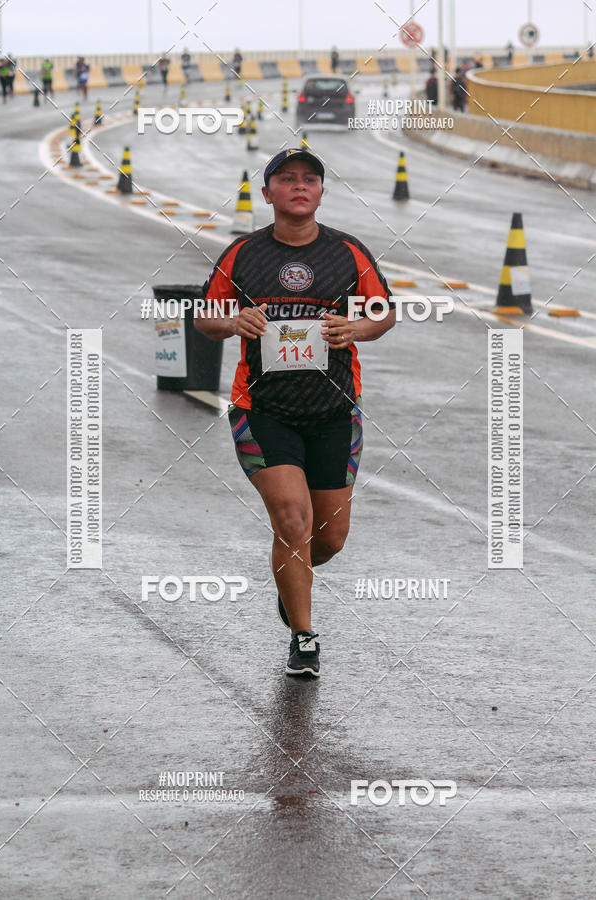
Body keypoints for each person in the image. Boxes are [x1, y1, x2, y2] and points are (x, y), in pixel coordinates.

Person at [195, 148, 395, 678]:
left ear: (322, 192)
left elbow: (383, 313)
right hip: (263, 410)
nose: (299, 187)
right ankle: (303, 637)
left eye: (310, 179)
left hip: (334, 409)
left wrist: (357, 329)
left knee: (327, 538)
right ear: (268, 194)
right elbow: (204, 318)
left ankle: (292, 584)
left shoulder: (349, 252)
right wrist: (234, 321)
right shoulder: (241, 255)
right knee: (292, 519)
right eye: (286, 179)